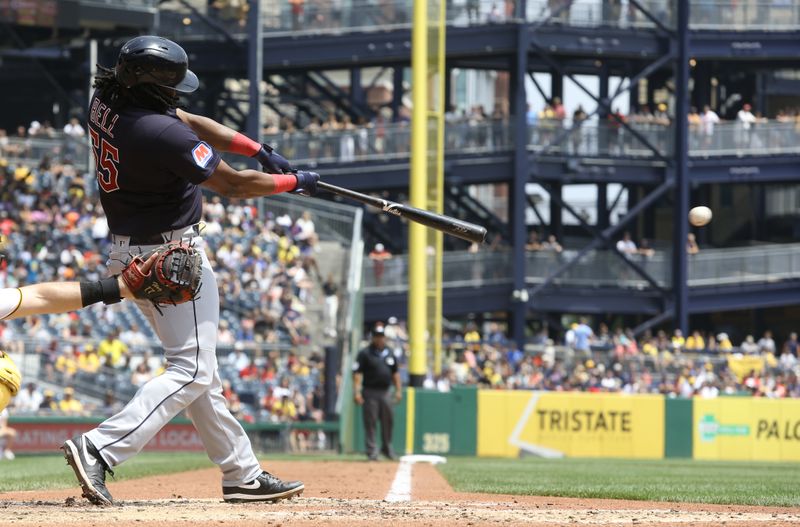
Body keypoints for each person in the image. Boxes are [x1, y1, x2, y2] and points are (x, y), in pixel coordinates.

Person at [60, 36, 315, 507]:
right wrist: (291, 181)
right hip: (171, 256)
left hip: (131, 250)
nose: (178, 95)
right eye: (170, 88)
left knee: (200, 371)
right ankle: (98, 446)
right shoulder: (158, 133)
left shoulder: (108, 99)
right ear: (151, 88)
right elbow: (234, 187)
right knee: (193, 369)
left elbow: (188, 121)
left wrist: (257, 148)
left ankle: (242, 474)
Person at [352, 324, 402, 461]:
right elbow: (357, 373)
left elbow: (396, 373)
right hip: (370, 391)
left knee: (388, 421)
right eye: (377, 336)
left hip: (385, 391)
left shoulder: (390, 352)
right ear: (373, 338)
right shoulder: (365, 353)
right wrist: (357, 392)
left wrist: (398, 390)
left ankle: (387, 448)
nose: (379, 339)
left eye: (381, 336)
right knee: (370, 422)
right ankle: (372, 451)